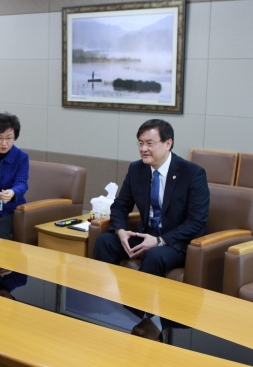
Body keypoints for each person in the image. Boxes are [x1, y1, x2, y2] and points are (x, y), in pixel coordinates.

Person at [93, 119, 209, 341]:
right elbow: (120, 206)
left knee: (155, 256)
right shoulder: (137, 169)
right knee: (104, 242)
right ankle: (107, 304)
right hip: (145, 233)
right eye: (140, 143)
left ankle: (141, 315)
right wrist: (120, 231)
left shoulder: (192, 173)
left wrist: (159, 241)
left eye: (149, 143)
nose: (143, 149)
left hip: (177, 241)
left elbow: (197, 221)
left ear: (168, 144)